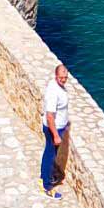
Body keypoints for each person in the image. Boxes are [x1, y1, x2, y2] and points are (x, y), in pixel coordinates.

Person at [40, 62, 70, 198]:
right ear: (56, 76)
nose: (63, 80)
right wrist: (56, 135)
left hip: (58, 128)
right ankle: (47, 187)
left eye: (65, 77)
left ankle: (44, 176)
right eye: (61, 77)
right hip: (54, 130)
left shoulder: (57, 86)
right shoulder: (54, 92)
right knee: (50, 155)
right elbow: (50, 116)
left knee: (49, 153)